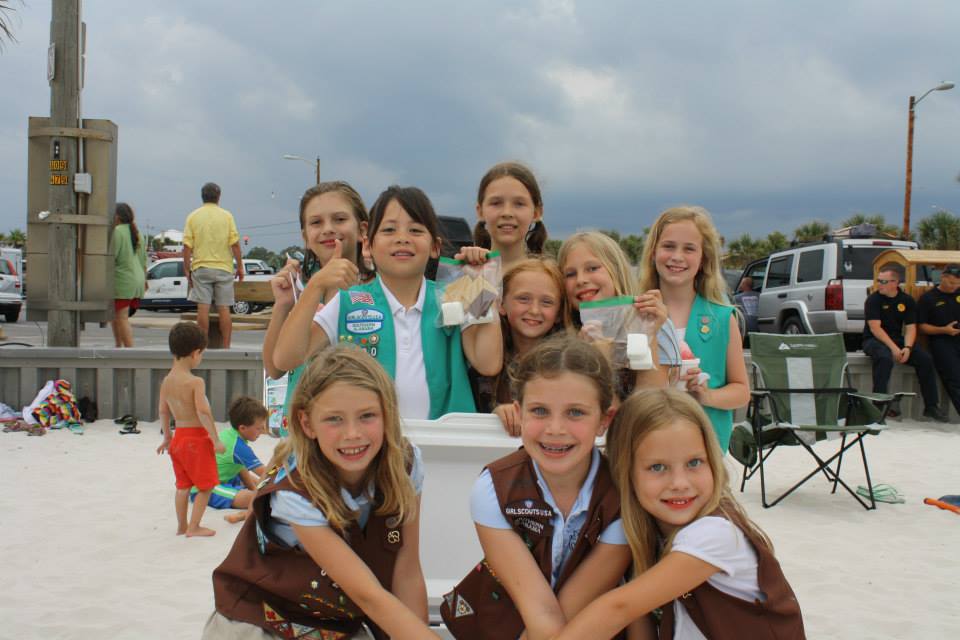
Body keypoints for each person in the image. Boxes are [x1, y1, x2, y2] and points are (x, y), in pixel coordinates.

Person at [204, 346, 436, 640]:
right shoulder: (295, 491)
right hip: (260, 617)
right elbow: (368, 596)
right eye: (334, 419)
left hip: (337, 619)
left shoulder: (405, 465)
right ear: (307, 423)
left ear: (388, 414)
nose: (353, 434)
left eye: (367, 415)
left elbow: (407, 565)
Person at [552, 388, 805, 639]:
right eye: (657, 467)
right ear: (625, 472)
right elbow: (636, 620)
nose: (680, 483)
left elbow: (619, 608)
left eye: (694, 463)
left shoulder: (715, 533)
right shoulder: (648, 534)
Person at [441, 337, 631, 640]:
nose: (555, 429)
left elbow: (570, 611)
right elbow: (541, 614)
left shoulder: (622, 496)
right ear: (519, 412)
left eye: (575, 412)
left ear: (604, 419)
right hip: (500, 627)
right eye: (540, 411)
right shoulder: (493, 488)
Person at [274, 185, 503, 419]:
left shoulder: (456, 295)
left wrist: (483, 285)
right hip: (367, 440)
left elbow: (488, 362)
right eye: (389, 230)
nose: (402, 238)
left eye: (415, 230)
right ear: (368, 245)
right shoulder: (348, 301)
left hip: (442, 439)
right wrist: (315, 286)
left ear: (435, 247)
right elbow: (286, 358)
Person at [638, 207, 750, 452]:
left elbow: (742, 391)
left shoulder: (722, 318)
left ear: (703, 259)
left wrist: (706, 395)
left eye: (689, 249)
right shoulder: (636, 313)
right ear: (653, 252)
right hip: (647, 443)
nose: (677, 256)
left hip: (703, 448)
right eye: (669, 246)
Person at [263, 181, 373, 425]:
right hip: (303, 428)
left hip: (355, 428)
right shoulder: (303, 291)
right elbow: (274, 369)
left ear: (362, 229)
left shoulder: (377, 292)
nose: (328, 229)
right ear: (305, 236)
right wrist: (283, 305)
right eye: (316, 222)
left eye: (340, 219)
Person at [558, 231, 675, 394]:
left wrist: (649, 334)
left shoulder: (655, 321)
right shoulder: (560, 338)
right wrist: (588, 356)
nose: (580, 280)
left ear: (617, 271)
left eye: (592, 268)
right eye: (570, 274)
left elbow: (652, 400)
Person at [473, 258, 570, 435]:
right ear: (501, 304)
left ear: (558, 314)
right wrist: (496, 415)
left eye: (547, 302)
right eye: (523, 299)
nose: (534, 310)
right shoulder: (486, 353)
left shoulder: (567, 363)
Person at [156, 321, 226, 538]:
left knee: (183, 486)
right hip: (196, 440)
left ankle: (181, 526)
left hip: (178, 439)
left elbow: (163, 411)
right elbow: (203, 411)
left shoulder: (167, 381)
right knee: (206, 486)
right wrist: (216, 439)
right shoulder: (195, 382)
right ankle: (194, 526)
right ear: (196, 353)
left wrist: (167, 437)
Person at [864, 263, 948, 421]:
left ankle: (931, 406)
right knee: (884, 358)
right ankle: (878, 404)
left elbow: (910, 328)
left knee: (925, 359)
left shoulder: (906, 300)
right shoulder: (873, 300)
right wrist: (894, 349)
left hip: (897, 338)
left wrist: (908, 347)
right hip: (874, 340)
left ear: (895, 283)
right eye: (878, 281)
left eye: (883, 281)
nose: (879, 284)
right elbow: (875, 329)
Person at [189, 395, 269, 524]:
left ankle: (250, 504)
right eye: (259, 428)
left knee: (258, 484)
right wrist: (281, 470)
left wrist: (254, 488)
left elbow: (241, 468)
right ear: (242, 428)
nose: (262, 431)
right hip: (206, 488)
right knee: (256, 498)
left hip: (226, 476)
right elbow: (265, 472)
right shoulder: (238, 446)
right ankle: (245, 512)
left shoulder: (232, 434)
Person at [182, 182, 244, 348]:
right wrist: (240, 267)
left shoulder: (193, 216)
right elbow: (235, 244)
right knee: (224, 309)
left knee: (203, 308)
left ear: (202, 196)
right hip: (224, 269)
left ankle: (201, 347)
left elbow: (187, 246)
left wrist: (187, 269)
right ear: (219, 197)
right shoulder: (227, 216)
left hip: (201, 268)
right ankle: (226, 348)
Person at [472, 161, 548, 273]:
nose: (507, 213)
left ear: (537, 212)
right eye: (496, 203)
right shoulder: (463, 273)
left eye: (519, 204)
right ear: (480, 211)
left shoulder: (549, 277)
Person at [918, 264, 960, 418]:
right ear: (942, 277)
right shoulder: (928, 298)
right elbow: (922, 327)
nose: (954, 287)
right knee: (955, 378)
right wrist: (944, 330)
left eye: (957, 284)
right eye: (951, 283)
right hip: (942, 341)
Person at [110, 202, 148, 348]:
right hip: (137, 280)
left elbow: (111, 257)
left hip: (123, 281)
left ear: (117, 217)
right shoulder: (137, 233)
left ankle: (129, 351)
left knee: (121, 318)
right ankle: (118, 348)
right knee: (116, 316)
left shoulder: (117, 232)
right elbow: (143, 261)